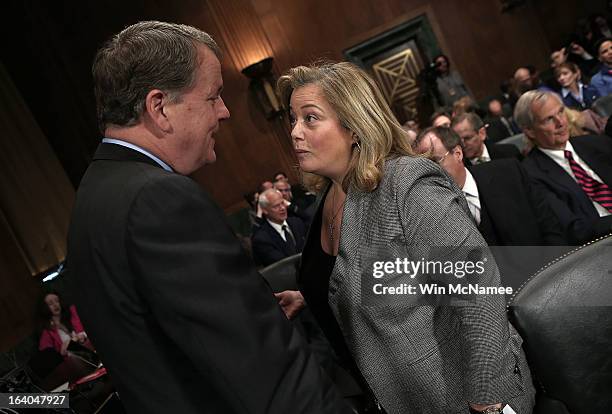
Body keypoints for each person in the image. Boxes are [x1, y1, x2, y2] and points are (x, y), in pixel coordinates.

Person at [67, 21, 349, 414]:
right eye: (213, 96)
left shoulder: (94, 196)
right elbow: (263, 370)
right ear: (159, 107)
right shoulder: (158, 199)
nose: (225, 111)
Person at [276, 61, 535, 413]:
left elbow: (478, 290)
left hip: (460, 399)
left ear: (354, 126)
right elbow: (367, 274)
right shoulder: (327, 196)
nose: (294, 132)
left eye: (310, 118)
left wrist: (487, 399)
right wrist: (310, 294)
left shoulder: (406, 183)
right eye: (292, 119)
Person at [516, 90, 612, 244]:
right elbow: (575, 229)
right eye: (548, 119)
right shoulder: (530, 175)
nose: (560, 122)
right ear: (530, 131)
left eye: (561, 112)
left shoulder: (597, 143)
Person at [251, 188, 307, 267]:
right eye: (276, 206)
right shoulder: (262, 238)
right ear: (265, 210)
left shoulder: (296, 222)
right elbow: (282, 266)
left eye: (282, 203)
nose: (283, 208)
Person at [451, 112, 522, 164]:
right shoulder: (461, 171)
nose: (463, 145)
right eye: (459, 141)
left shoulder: (509, 153)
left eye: (467, 138)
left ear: (482, 133)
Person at [39, 292, 91, 356]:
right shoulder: (47, 332)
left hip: (90, 350)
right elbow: (49, 356)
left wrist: (80, 336)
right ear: (45, 307)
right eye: (50, 303)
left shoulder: (72, 312)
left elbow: (90, 327)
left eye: (57, 301)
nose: (55, 305)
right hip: (73, 361)